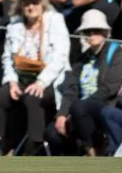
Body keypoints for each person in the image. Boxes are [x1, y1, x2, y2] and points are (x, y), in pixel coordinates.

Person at [0, 0, 70, 156]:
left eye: (34, 2)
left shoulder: (55, 20)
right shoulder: (14, 26)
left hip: (50, 81)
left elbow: (60, 57)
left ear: (41, 3)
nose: (31, 6)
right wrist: (11, 82)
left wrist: (41, 82)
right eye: (26, 3)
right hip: (22, 79)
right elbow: (7, 58)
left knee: (34, 96)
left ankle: (34, 146)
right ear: (21, 5)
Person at [49, 10, 122, 156]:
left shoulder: (116, 53)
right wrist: (63, 114)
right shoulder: (81, 59)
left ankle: (92, 153)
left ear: (105, 32)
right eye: (88, 31)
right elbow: (71, 89)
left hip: (104, 106)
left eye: (97, 30)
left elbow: (109, 89)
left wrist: (77, 109)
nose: (92, 34)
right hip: (79, 111)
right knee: (52, 133)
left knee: (80, 108)